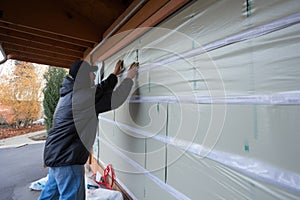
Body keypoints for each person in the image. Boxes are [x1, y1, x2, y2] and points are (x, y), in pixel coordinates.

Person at [39, 60, 139, 200]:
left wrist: (114, 75)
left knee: (49, 196)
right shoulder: (83, 97)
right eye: (91, 73)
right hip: (68, 159)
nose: (93, 75)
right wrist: (129, 78)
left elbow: (99, 89)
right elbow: (115, 99)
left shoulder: (71, 93)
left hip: (56, 155)